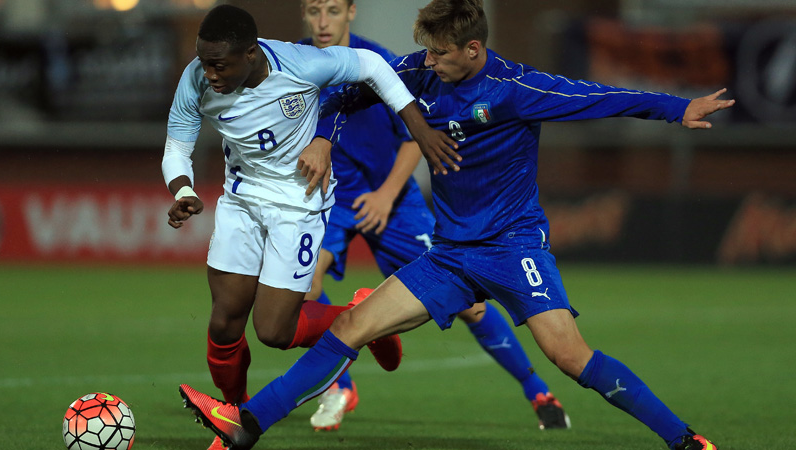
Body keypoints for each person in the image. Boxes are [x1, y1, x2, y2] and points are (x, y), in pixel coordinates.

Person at [178, 1, 734, 449]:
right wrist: (324, 134)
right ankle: (245, 429)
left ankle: (684, 441)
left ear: (473, 49)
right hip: (448, 255)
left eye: (440, 54)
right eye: (426, 52)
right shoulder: (421, 71)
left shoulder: (517, 90)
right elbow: (348, 95)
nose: (428, 62)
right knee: (349, 330)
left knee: (570, 357)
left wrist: (675, 109)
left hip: (513, 250)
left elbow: (603, 99)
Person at [163, 5, 458, 450]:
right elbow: (176, 146)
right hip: (240, 201)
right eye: (204, 61)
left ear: (251, 53)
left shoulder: (300, 64)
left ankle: (362, 318)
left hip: (299, 205)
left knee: (274, 332)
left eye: (219, 64)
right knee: (224, 324)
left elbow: (373, 66)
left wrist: (417, 126)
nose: (208, 73)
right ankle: (235, 415)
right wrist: (183, 190)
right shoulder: (197, 78)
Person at [297, 0, 569, 432]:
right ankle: (340, 386)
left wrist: (386, 195)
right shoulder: (295, 65)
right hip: (327, 198)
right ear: (304, 13)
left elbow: (414, 137)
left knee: (471, 308)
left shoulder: (378, 64)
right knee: (303, 288)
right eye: (314, 11)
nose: (323, 21)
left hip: (393, 198)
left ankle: (535, 388)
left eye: (332, 9)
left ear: (351, 11)